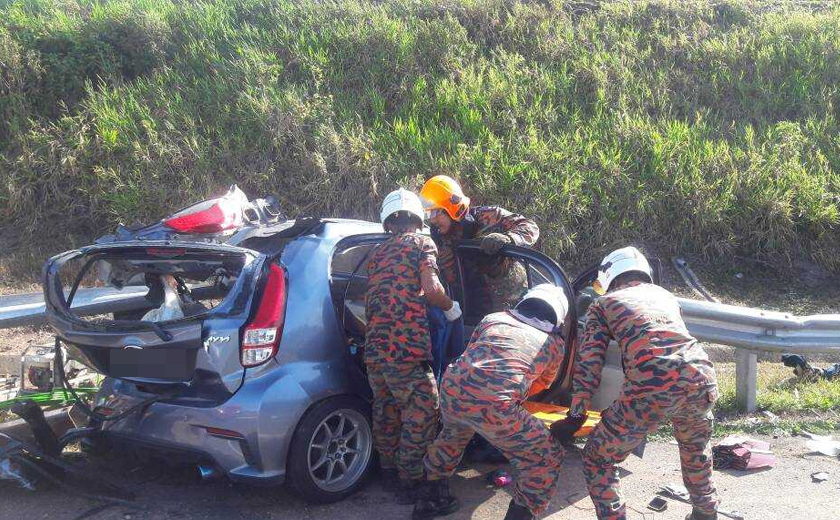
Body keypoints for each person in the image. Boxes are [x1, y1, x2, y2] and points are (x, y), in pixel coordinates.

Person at [551, 247, 719, 520]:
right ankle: (706, 513)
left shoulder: (604, 303)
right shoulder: (665, 296)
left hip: (652, 386)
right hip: (702, 379)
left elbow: (590, 361)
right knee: (695, 449)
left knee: (598, 459)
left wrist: (576, 413)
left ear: (608, 276)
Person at [413, 284, 569, 520]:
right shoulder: (554, 344)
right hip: (495, 404)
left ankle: (430, 499)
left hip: (454, 387)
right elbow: (542, 385)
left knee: (453, 434)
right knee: (547, 456)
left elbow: (474, 350)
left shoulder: (494, 318)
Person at [365, 188, 462, 503]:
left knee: (386, 409)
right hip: (406, 351)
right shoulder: (422, 242)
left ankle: (388, 471)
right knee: (421, 411)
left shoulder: (376, 254)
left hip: (375, 352)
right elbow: (431, 288)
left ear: (387, 221)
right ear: (417, 218)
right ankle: (411, 481)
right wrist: (450, 307)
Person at [420, 175, 539, 315]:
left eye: (435, 212)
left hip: (511, 307)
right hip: (469, 312)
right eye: (428, 215)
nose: (432, 220)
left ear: (451, 207)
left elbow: (530, 226)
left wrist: (509, 239)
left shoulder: (488, 216)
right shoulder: (437, 239)